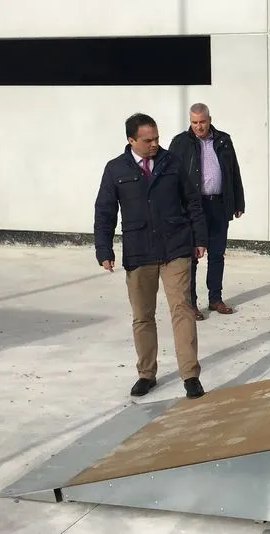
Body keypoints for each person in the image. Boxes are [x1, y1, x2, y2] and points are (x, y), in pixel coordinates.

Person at [93, 113, 209, 399]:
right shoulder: (115, 169)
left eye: (156, 137)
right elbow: (105, 212)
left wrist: (200, 238)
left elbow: (192, 201)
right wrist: (104, 250)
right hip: (139, 250)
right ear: (131, 140)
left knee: (182, 309)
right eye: (148, 140)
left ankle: (190, 375)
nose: (154, 144)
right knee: (143, 316)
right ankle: (146, 374)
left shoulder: (172, 163)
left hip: (176, 247)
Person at [168, 103, 246, 321]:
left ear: (209, 119)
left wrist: (238, 201)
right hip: (194, 208)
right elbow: (172, 177)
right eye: (194, 122)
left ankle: (215, 298)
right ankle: (191, 303)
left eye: (202, 122)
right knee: (193, 256)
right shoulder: (180, 143)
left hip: (219, 205)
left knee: (217, 254)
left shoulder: (223, 140)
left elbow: (234, 172)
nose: (198, 127)